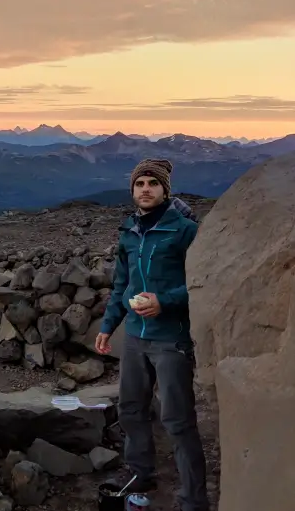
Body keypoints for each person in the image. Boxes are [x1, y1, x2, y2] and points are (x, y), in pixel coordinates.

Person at [95, 158, 209, 511]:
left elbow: (202, 283)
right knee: (131, 409)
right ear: (132, 190)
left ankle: (193, 499)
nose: (146, 189)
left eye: (153, 183)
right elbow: (122, 285)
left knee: (177, 420)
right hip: (134, 336)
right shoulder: (130, 231)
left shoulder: (185, 231)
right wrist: (107, 326)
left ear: (164, 190)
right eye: (140, 184)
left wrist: (165, 301)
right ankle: (140, 473)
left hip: (170, 338)